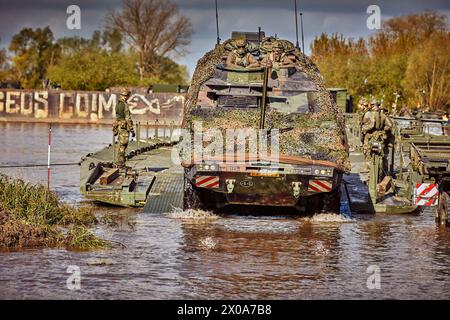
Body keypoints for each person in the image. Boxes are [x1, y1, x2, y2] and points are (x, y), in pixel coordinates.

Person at [113, 88, 135, 169]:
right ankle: (121, 164)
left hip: (119, 126)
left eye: (126, 95)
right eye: (124, 95)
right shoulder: (124, 104)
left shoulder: (118, 104)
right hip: (124, 127)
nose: (125, 97)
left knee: (120, 144)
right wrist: (132, 129)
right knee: (123, 145)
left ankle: (120, 163)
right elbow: (128, 118)